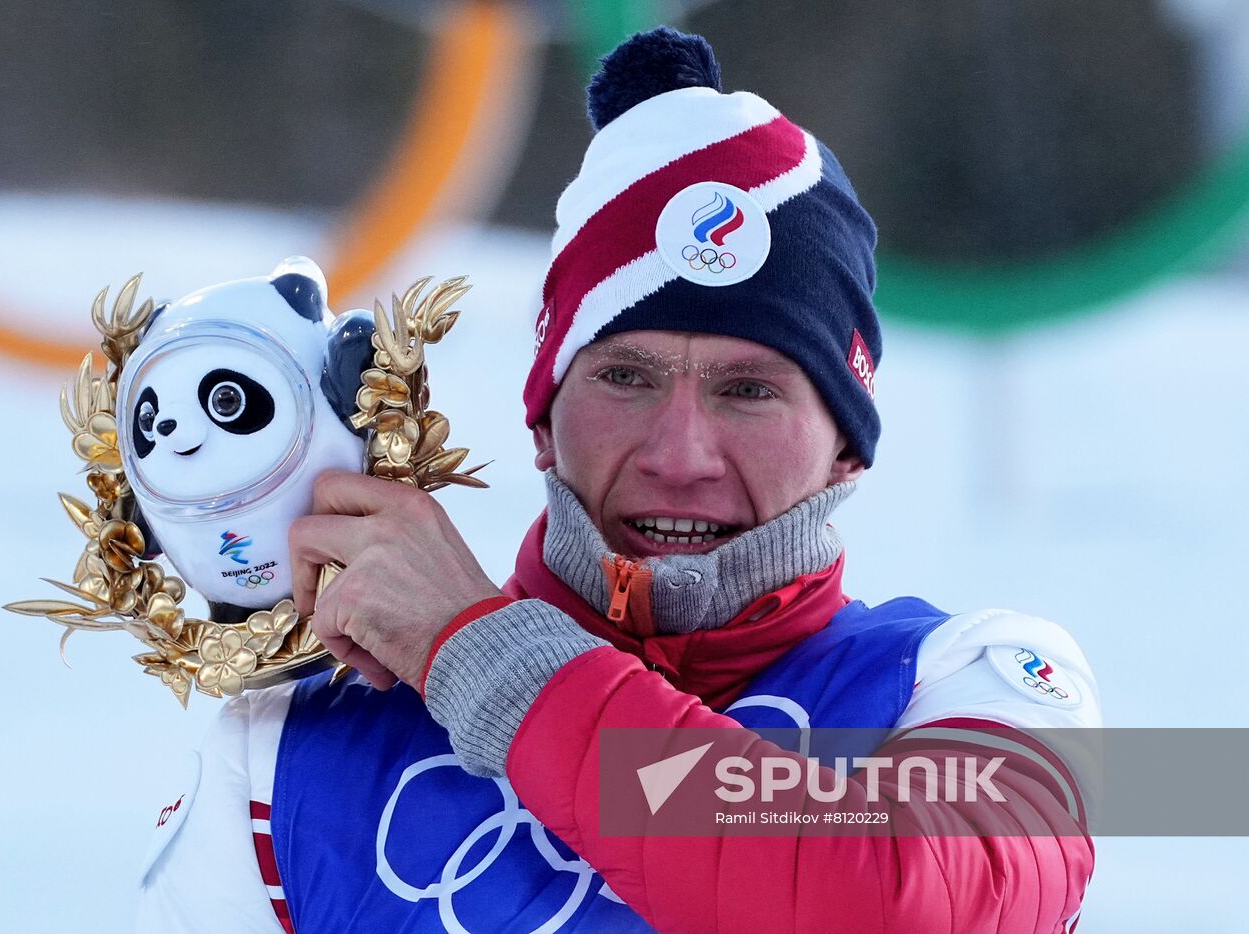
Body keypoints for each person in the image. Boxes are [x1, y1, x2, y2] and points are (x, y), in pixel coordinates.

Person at [136, 27, 1099, 934]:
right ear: (545, 419)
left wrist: (481, 657)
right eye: (626, 378)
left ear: (847, 443)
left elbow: (901, 903)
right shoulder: (284, 755)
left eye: (750, 389)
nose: (679, 454)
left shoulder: (985, 678)